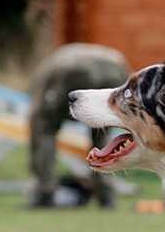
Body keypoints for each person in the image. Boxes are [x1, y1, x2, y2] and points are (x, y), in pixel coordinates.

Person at [27, 42, 129, 208]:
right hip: (115, 67)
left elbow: (41, 114)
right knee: (102, 135)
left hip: (71, 68)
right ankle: (106, 196)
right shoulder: (111, 58)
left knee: (43, 127)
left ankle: (45, 193)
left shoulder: (45, 73)